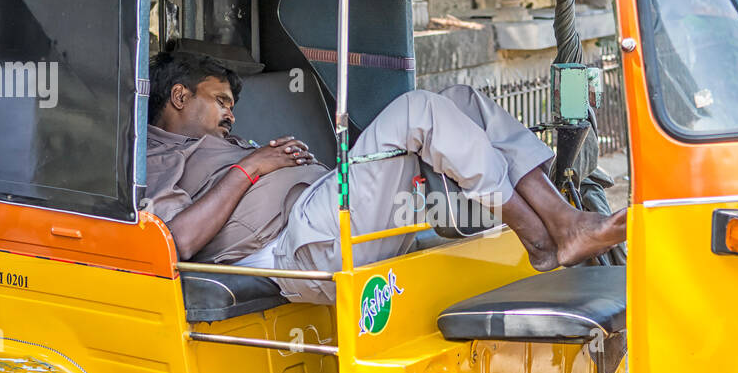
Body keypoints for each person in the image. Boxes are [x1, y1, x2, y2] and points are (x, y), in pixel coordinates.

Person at [144, 50, 626, 304]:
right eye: (221, 101)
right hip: (298, 251)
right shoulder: (159, 154)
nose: (231, 113)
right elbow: (176, 241)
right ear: (181, 97)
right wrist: (250, 169)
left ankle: (560, 222)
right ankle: (540, 235)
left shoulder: (225, 145)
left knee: (460, 99)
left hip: (329, 217)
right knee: (417, 109)